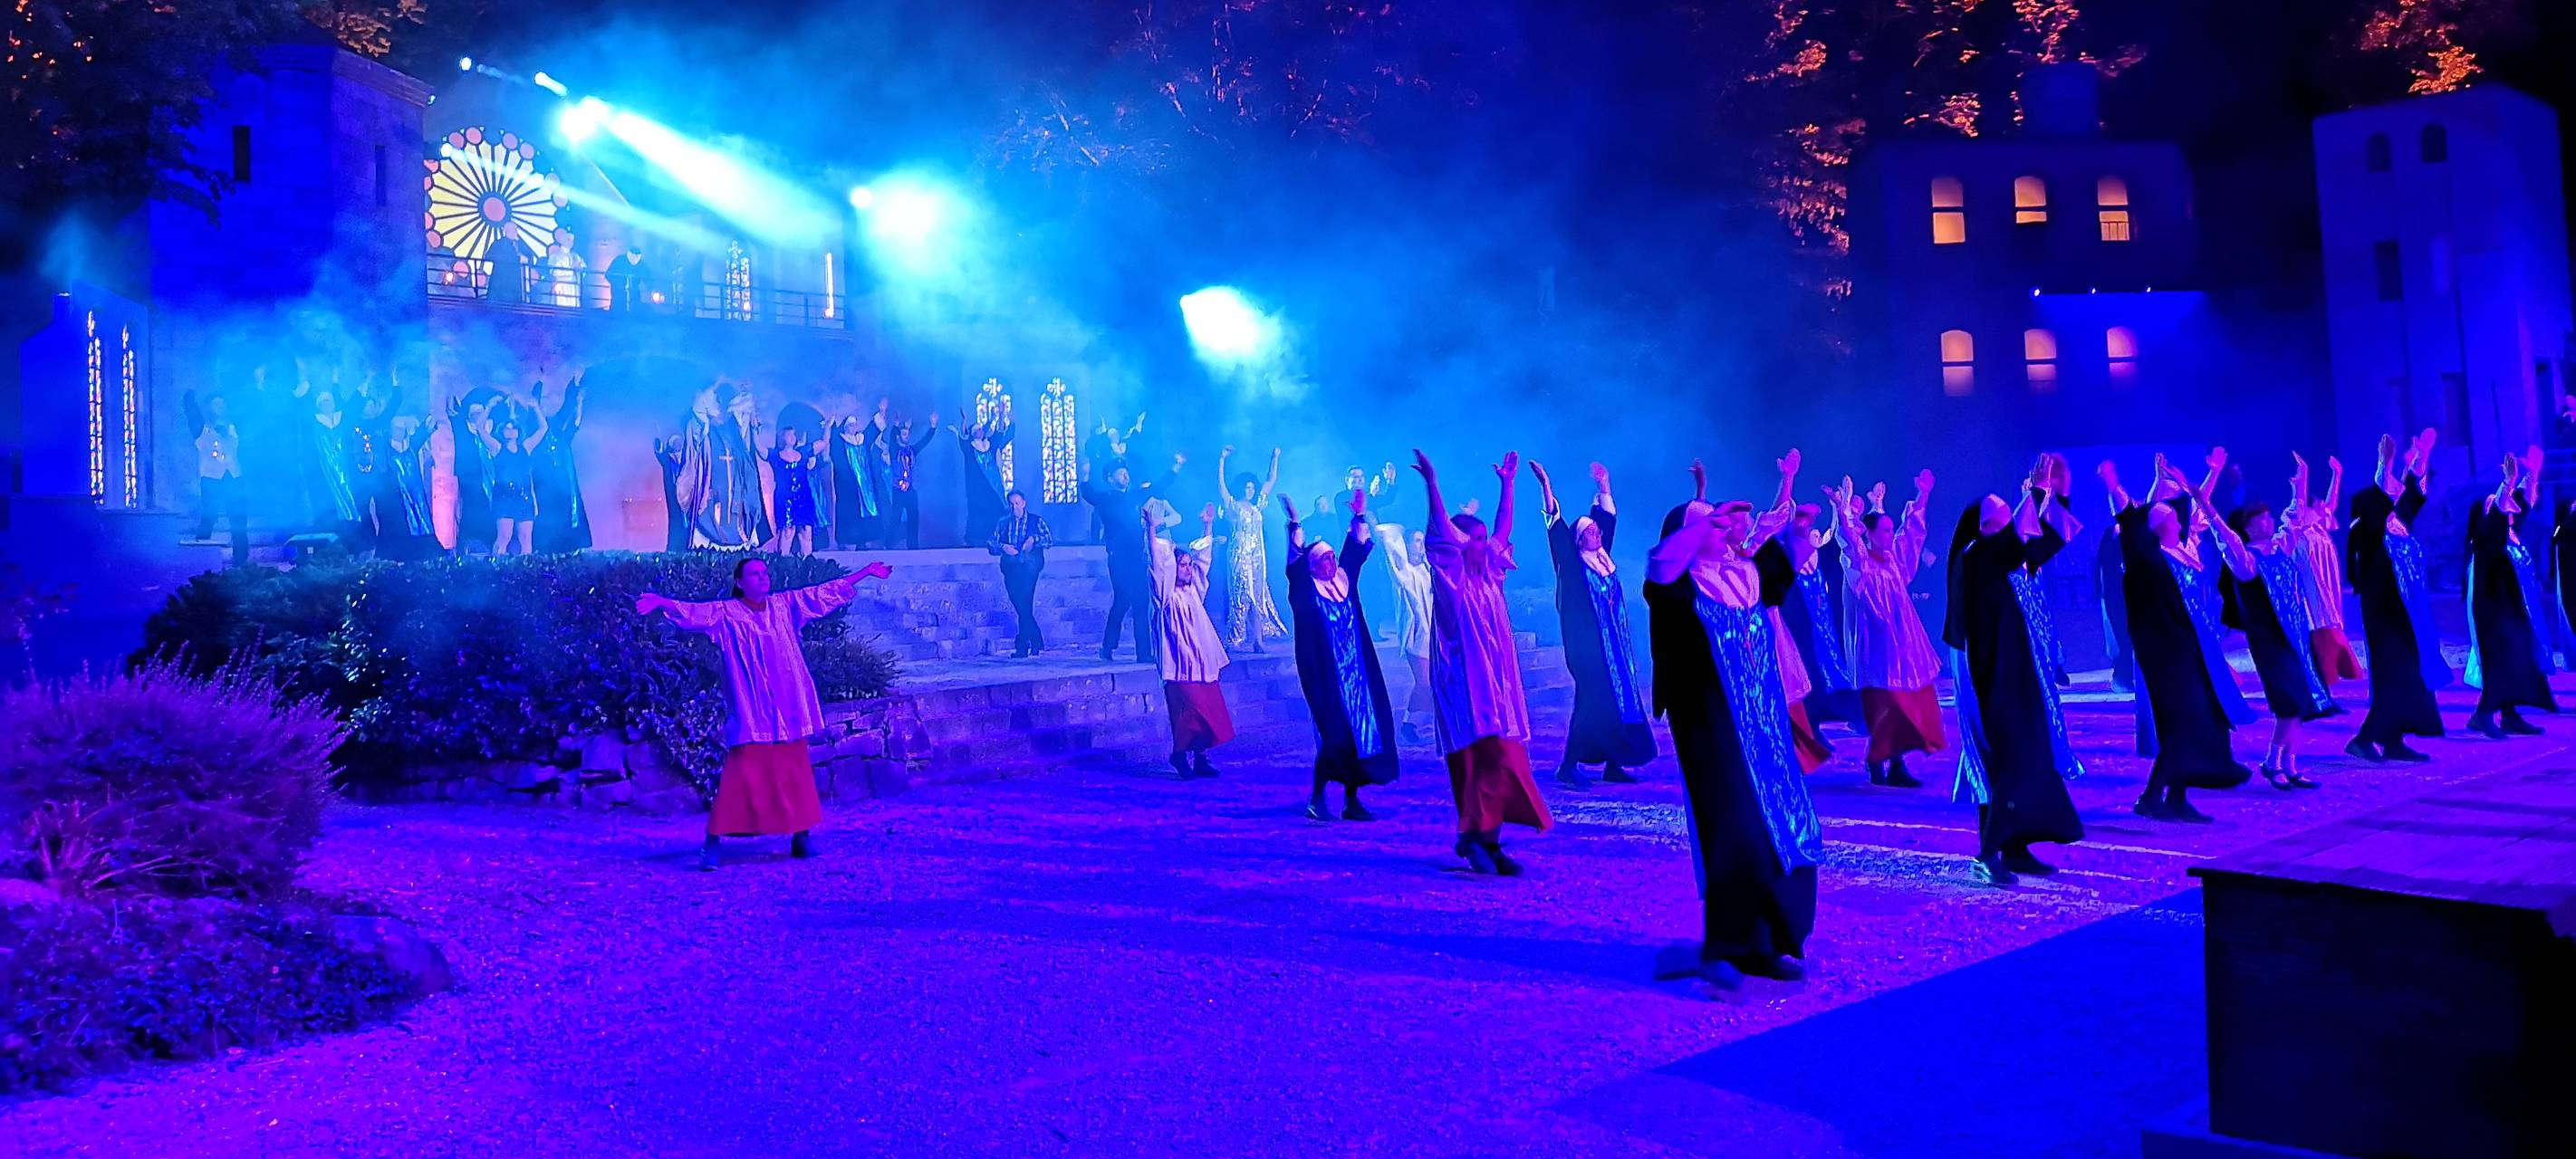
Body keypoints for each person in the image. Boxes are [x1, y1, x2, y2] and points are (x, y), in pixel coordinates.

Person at [1644, 461, 1823, 991]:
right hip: (1714, 732)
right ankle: (1724, 945)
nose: (1724, 527)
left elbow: (1787, 564)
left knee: (1782, 827)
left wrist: (1798, 529)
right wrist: (1702, 516)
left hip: (1764, 727)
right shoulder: (1678, 585)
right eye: (1710, 524)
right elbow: (1661, 564)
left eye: (1722, 523)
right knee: (1735, 833)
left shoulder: (1743, 574)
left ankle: (1768, 942)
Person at [636, 557, 892, 870]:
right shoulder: (726, 613)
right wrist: (662, 601)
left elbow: (822, 594)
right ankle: (712, 843)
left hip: (786, 705)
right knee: (743, 773)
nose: (762, 578)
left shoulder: (785, 606)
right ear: (740, 582)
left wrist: (864, 572)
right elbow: (692, 612)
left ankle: (801, 836)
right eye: (754, 574)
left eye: (764, 573)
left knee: (793, 769)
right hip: (752, 706)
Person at [1942, 459, 2085, 886]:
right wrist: (2034, 495)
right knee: (1997, 758)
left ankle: (2018, 846)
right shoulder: (1974, 557)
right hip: (1985, 674)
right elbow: (2008, 546)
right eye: (1998, 517)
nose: (2008, 523)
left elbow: (2049, 537)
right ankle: (1987, 853)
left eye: (2009, 514)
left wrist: (2054, 494)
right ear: (1980, 527)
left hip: (2017, 669)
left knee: (2029, 753)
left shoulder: (2008, 555)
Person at [1415, 448, 1550, 876]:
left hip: (1497, 687)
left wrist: (1508, 486)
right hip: (1465, 687)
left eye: (1481, 538)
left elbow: (1503, 529)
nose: (1481, 543)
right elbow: (1440, 530)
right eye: (1472, 538)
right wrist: (1433, 485)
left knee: (1505, 759)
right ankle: (1475, 838)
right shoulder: (1451, 579)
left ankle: (1484, 840)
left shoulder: (1490, 573)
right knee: (1480, 761)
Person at [2104, 455, 2254, 821]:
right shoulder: (2148, 560)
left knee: (2203, 719)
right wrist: (2113, 485)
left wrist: (2212, 473)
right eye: (2171, 517)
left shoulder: (2184, 550)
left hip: (2197, 647)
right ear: (2161, 527)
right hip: (2169, 653)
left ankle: (2172, 796)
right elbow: (2131, 520)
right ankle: (2156, 796)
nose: (2179, 517)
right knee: (2182, 722)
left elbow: (2196, 509)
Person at [1532, 459, 1655, 789]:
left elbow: (1607, 519)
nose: (1596, 533)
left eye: (1595, 531)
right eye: (1588, 532)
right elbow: (1555, 530)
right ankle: (1568, 764)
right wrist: (1546, 485)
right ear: (1578, 540)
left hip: (1615, 649)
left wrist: (1604, 486)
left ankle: (1614, 763)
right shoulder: (1574, 566)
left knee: (1615, 699)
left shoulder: (1603, 560)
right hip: (1588, 650)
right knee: (1591, 701)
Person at [1283, 489, 1399, 820]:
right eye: (1323, 560)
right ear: (1313, 565)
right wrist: (1293, 524)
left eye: (1332, 558)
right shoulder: (1305, 591)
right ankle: (1317, 797)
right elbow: (1293, 563)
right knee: (1334, 734)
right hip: (1326, 678)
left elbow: (1354, 549)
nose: (1331, 563)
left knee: (1362, 735)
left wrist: (1360, 515)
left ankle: (1351, 800)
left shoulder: (1345, 580)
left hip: (1358, 677)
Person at [2213, 481, 2333, 790]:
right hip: (2271, 642)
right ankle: (2271, 762)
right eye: (2261, 519)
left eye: (2269, 517)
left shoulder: (2281, 547)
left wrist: (2302, 478)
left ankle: (2290, 765)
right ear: (2249, 528)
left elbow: (2295, 517)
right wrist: (2204, 501)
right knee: (2288, 704)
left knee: (2301, 704)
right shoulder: (2246, 560)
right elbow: (2225, 538)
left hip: (2297, 638)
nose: (2268, 521)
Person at [1829, 470, 1946, 787]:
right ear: (1870, 533)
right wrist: (1841, 510)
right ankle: (1883, 761)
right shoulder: (1860, 563)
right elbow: (1848, 542)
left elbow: (1913, 535)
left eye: (1891, 529)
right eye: (1885, 530)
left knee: (1900, 700)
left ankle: (1890, 761)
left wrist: (1922, 495)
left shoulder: (1893, 560)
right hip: (1876, 643)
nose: (1890, 535)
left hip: (1901, 640)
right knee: (1885, 702)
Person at [2345, 429, 2446, 761]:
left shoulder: (2400, 519)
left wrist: (2423, 454)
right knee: (2392, 670)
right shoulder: (2367, 516)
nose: (2395, 493)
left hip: (2406, 608)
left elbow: (2413, 495)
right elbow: (2373, 520)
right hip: (2382, 606)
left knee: (2409, 669)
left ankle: (2393, 739)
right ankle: (2365, 738)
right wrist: (2383, 463)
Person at [2463, 445, 2555, 738]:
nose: (2506, 507)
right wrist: (2507, 482)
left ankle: (2510, 714)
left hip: (2513, 610)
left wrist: (2533, 473)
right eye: (2498, 505)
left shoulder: (2510, 534)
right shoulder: (2487, 541)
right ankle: (2483, 715)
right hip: (2492, 610)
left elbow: (2524, 502)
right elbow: (2499, 514)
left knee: (2518, 655)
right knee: (2498, 658)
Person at [1755, 493, 1864, 732]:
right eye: (1802, 519)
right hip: (1799, 625)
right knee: (1806, 668)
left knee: (1831, 665)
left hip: (1824, 625)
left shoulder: (1819, 555)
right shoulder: (1786, 557)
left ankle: (1839, 710)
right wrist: (1788, 480)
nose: (1807, 524)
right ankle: (1811, 718)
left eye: (1810, 520)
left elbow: (1840, 540)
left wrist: (1840, 508)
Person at [1151, 503, 1234, 777]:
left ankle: (1200, 758)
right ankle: (1178, 755)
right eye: (1182, 565)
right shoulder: (1165, 596)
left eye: (1187, 565)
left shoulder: (1194, 591)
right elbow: (1156, 563)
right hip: (1179, 665)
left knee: (1208, 710)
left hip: (1201, 662)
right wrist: (1151, 529)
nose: (1187, 569)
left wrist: (1207, 526)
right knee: (1189, 710)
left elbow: (1203, 562)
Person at [1082, 455, 1183, 665]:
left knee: (1141, 601)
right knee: (1123, 598)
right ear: (1110, 478)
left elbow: (1156, 487)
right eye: (1120, 473)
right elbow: (1088, 493)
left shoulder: (1135, 495)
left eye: (1126, 472)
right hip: (1118, 558)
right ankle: (1108, 645)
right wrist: (1085, 474)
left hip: (1137, 557)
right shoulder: (1105, 498)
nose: (1125, 475)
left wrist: (1175, 466)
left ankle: (1144, 653)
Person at [2283, 453, 2363, 693]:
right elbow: (2299, 500)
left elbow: (2332, 502)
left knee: (2329, 604)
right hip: (2310, 572)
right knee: (2316, 605)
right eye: (2317, 504)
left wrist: (2337, 475)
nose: (2324, 507)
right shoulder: (2297, 519)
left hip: (2326, 570)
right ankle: (2320, 657)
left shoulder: (2318, 522)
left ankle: (2335, 653)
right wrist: (2302, 477)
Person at [1216, 445, 1289, 653]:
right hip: (1239, 553)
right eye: (1246, 487)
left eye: (1251, 487)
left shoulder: (1257, 505)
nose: (1250, 490)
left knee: (1258, 595)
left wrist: (1274, 458)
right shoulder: (1233, 505)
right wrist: (1222, 460)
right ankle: (1234, 638)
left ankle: (1258, 640)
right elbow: (1221, 485)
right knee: (1242, 594)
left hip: (1258, 555)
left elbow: (1270, 480)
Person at [1382, 527, 1438, 742]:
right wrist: (1388, 534)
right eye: (1416, 541)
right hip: (1416, 636)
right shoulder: (1404, 571)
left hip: (1433, 633)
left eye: (1421, 541)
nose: (1420, 545)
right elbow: (1394, 558)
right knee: (1424, 682)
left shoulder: (1427, 570)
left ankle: (1409, 725)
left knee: (1429, 682)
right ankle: (1439, 723)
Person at [182, 388, 248, 565]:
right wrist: (190, 402)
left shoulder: (235, 427)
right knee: (209, 516)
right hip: (212, 478)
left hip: (234, 476)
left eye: (221, 404)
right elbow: (192, 416)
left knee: (239, 519)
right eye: (215, 405)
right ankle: (200, 557)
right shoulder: (202, 429)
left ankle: (241, 559)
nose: (219, 408)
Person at [989, 490, 1053, 656]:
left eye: (1017, 503)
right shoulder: (1003, 523)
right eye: (1011, 504)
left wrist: (1034, 540)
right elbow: (991, 542)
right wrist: (1003, 547)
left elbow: (1049, 540)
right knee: (1021, 606)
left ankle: (1022, 646)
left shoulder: (1035, 521)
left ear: (1023, 503)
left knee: (1025, 602)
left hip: (1030, 568)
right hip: (1010, 568)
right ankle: (1036, 640)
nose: (1014, 507)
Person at [533, 377, 591, 553]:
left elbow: (574, 418)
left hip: (565, 484)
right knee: (548, 517)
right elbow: (536, 406)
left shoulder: (564, 438)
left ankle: (569, 549)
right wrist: (540, 382)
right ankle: (546, 550)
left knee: (568, 515)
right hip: (545, 486)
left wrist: (577, 393)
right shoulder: (536, 438)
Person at [481, 399, 545, 555]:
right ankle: (497, 568)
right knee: (504, 536)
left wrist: (536, 408)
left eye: (513, 428)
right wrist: (489, 406)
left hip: (524, 495)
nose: (510, 430)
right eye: (507, 428)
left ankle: (527, 570)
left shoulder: (526, 447)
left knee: (526, 538)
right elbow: (480, 429)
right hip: (504, 495)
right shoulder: (497, 448)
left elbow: (543, 428)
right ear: (501, 432)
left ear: (518, 431)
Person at [829, 404, 889, 551]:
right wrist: (831, 425)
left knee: (866, 513)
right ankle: (847, 541)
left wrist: (881, 411)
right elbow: (835, 448)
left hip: (865, 485)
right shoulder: (841, 441)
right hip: (849, 486)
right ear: (845, 427)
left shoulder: (861, 439)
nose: (853, 427)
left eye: (855, 425)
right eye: (850, 425)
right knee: (850, 512)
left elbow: (873, 429)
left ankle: (863, 541)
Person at [379, 414, 438, 561]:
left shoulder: (411, 447)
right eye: (396, 429)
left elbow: (424, 432)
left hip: (417, 498)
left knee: (422, 527)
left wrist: (432, 419)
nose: (398, 432)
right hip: (397, 501)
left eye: (401, 429)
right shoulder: (385, 450)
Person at [957, 404, 1015, 543]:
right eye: (976, 429)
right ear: (972, 433)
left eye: (980, 428)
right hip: (976, 489)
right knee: (977, 514)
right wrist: (964, 420)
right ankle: (975, 540)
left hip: (993, 486)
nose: (979, 431)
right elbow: (962, 436)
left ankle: (997, 538)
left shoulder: (990, 445)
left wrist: (1001, 415)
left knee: (996, 511)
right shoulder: (969, 449)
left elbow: (1000, 432)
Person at [767, 426, 826, 557]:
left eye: (793, 435)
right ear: (781, 437)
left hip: (804, 497)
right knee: (788, 531)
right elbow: (760, 450)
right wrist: (754, 428)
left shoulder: (803, 452)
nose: (791, 437)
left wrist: (827, 427)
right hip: (785, 498)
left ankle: (807, 563)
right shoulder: (775, 455)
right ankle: (784, 563)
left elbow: (823, 442)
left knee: (806, 530)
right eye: (788, 435)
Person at [448, 393, 495, 555]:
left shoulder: (492, 431)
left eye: (480, 413)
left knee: (494, 523)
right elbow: (455, 417)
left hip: (494, 485)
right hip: (472, 484)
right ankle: (463, 557)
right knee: (471, 519)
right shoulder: (464, 432)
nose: (477, 417)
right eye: (474, 414)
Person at [607, 244, 652, 312]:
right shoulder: (619, 261)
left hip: (634, 293)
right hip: (619, 293)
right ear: (630, 254)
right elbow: (609, 275)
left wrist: (650, 288)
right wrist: (619, 285)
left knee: (634, 310)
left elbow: (648, 277)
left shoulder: (641, 264)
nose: (636, 259)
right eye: (634, 257)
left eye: (638, 257)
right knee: (617, 311)